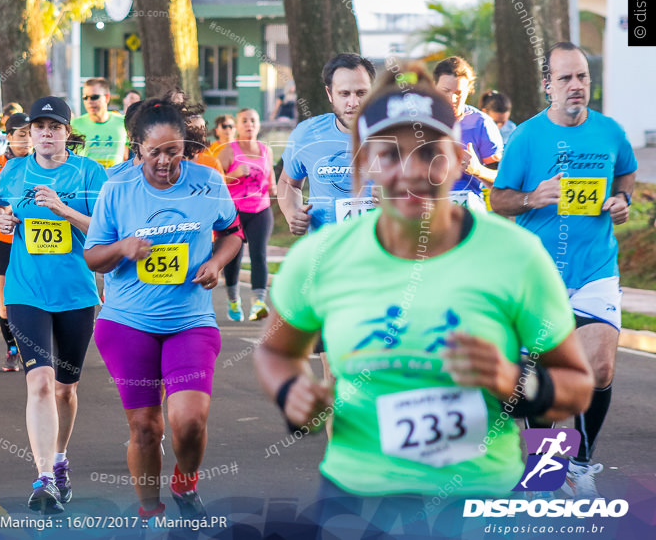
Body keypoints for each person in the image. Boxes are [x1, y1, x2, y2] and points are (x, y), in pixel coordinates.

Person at [255, 66, 594, 537]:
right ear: (362, 162)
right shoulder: (322, 258)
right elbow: (275, 349)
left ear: (456, 159)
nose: (412, 169)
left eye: (429, 152)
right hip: (361, 495)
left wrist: (512, 381)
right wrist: (294, 394)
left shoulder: (514, 256)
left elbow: (576, 383)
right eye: (389, 154)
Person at [84, 99, 242, 524]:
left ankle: (185, 482)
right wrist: (123, 247)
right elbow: (93, 257)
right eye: (154, 152)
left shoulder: (208, 182)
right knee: (147, 428)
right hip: (127, 323)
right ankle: (149, 511)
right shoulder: (117, 189)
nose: (164, 160)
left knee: (189, 421)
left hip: (190, 321)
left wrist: (217, 263)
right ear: (138, 148)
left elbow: (232, 233)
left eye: (172, 150)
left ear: (184, 145)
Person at [491, 42, 637, 499]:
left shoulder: (610, 132)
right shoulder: (528, 137)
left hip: (595, 270)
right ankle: (546, 472)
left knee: (599, 368)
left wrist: (622, 201)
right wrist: (533, 197)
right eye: (567, 79)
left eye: (583, 78)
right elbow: (499, 199)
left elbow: (627, 174)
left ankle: (580, 465)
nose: (577, 86)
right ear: (547, 84)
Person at [0, 96, 107, 514]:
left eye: (54, 126)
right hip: (25, 292)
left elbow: (105, 230)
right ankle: (44, 477)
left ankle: (59, 460)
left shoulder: (90, 172)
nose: (46, 133)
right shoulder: (14, 170)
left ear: (67, 132)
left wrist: (61, 208)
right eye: (39, 127)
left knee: (65, 389)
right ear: (29, 133)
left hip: (75, 293)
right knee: (38, 382)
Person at [277, 53, 375, 237]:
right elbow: (287, 183)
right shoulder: (307, 133)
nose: (353, 103)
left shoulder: (396, 134)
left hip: (379, 252)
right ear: (330, 94)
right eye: (344, 93)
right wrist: (293, 214)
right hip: (326, 252)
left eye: (361, 93)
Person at [0, 112, 33, 371]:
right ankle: (12, 347)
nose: (27, 140)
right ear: (9, 137)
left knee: (33, 293)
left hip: (34, 239)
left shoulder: (42, 163)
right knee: (4, 299)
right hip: (3, 239)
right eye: (22, 134)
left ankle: (34, 346)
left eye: (30, 134)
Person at [217, 108, 275, 322]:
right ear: (238, 126)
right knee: (234, 258)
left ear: (258, 124)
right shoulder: (228, 150)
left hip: (260, 209)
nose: (249, 124)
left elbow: (272, 182)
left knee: (259, 254)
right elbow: (215, 182)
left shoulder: (266, 150)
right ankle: (233, 300)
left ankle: (258, 304)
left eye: (253, 120)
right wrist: (234, 174)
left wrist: (277, 190)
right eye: (244, 121)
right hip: (234, 212)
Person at [433, 56, 503, 202]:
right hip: (423, 212)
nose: (452, 99)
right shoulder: (416, 121)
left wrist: (478, 170)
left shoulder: (481, 123)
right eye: (445, 91)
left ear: (468, 91)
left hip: (467, 211)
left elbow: (503, 180)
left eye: (458, 93)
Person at [72, 78, 127, 169]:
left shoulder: (123, 122)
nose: (89, 101)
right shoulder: (75, 124)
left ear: (107, 97)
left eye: (94, 97)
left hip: (115, 180)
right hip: (86, 181)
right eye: (85, 98)